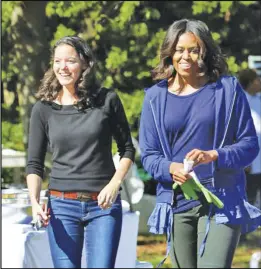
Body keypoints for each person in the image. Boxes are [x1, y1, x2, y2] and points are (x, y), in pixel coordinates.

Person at [139, 19, 261, 268]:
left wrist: (215, 155)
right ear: (169, 52)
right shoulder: (154, 98)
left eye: (193, 50)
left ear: (204, 52)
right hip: (177, 201)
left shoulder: (227, 90)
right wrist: (171, 168)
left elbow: (250, 145)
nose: (186, 57)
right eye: (179, 49)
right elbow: (149, 155)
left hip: (222, 199)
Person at [26, 36, 135, 268]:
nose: (62, 67)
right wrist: (35, 202)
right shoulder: (43, 109)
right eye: (57, 61)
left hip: (103, 207)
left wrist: (115, 183)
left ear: (85, 64)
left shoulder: (107, 100)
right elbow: (34, 163)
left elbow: (127, 149)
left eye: (70, 61)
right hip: (61, 206)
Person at [238, 68, 261, 208]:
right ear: (252, 82)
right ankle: (247, 227)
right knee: (249, 196)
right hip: (250, 161)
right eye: (258, 80)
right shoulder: (240, 101)